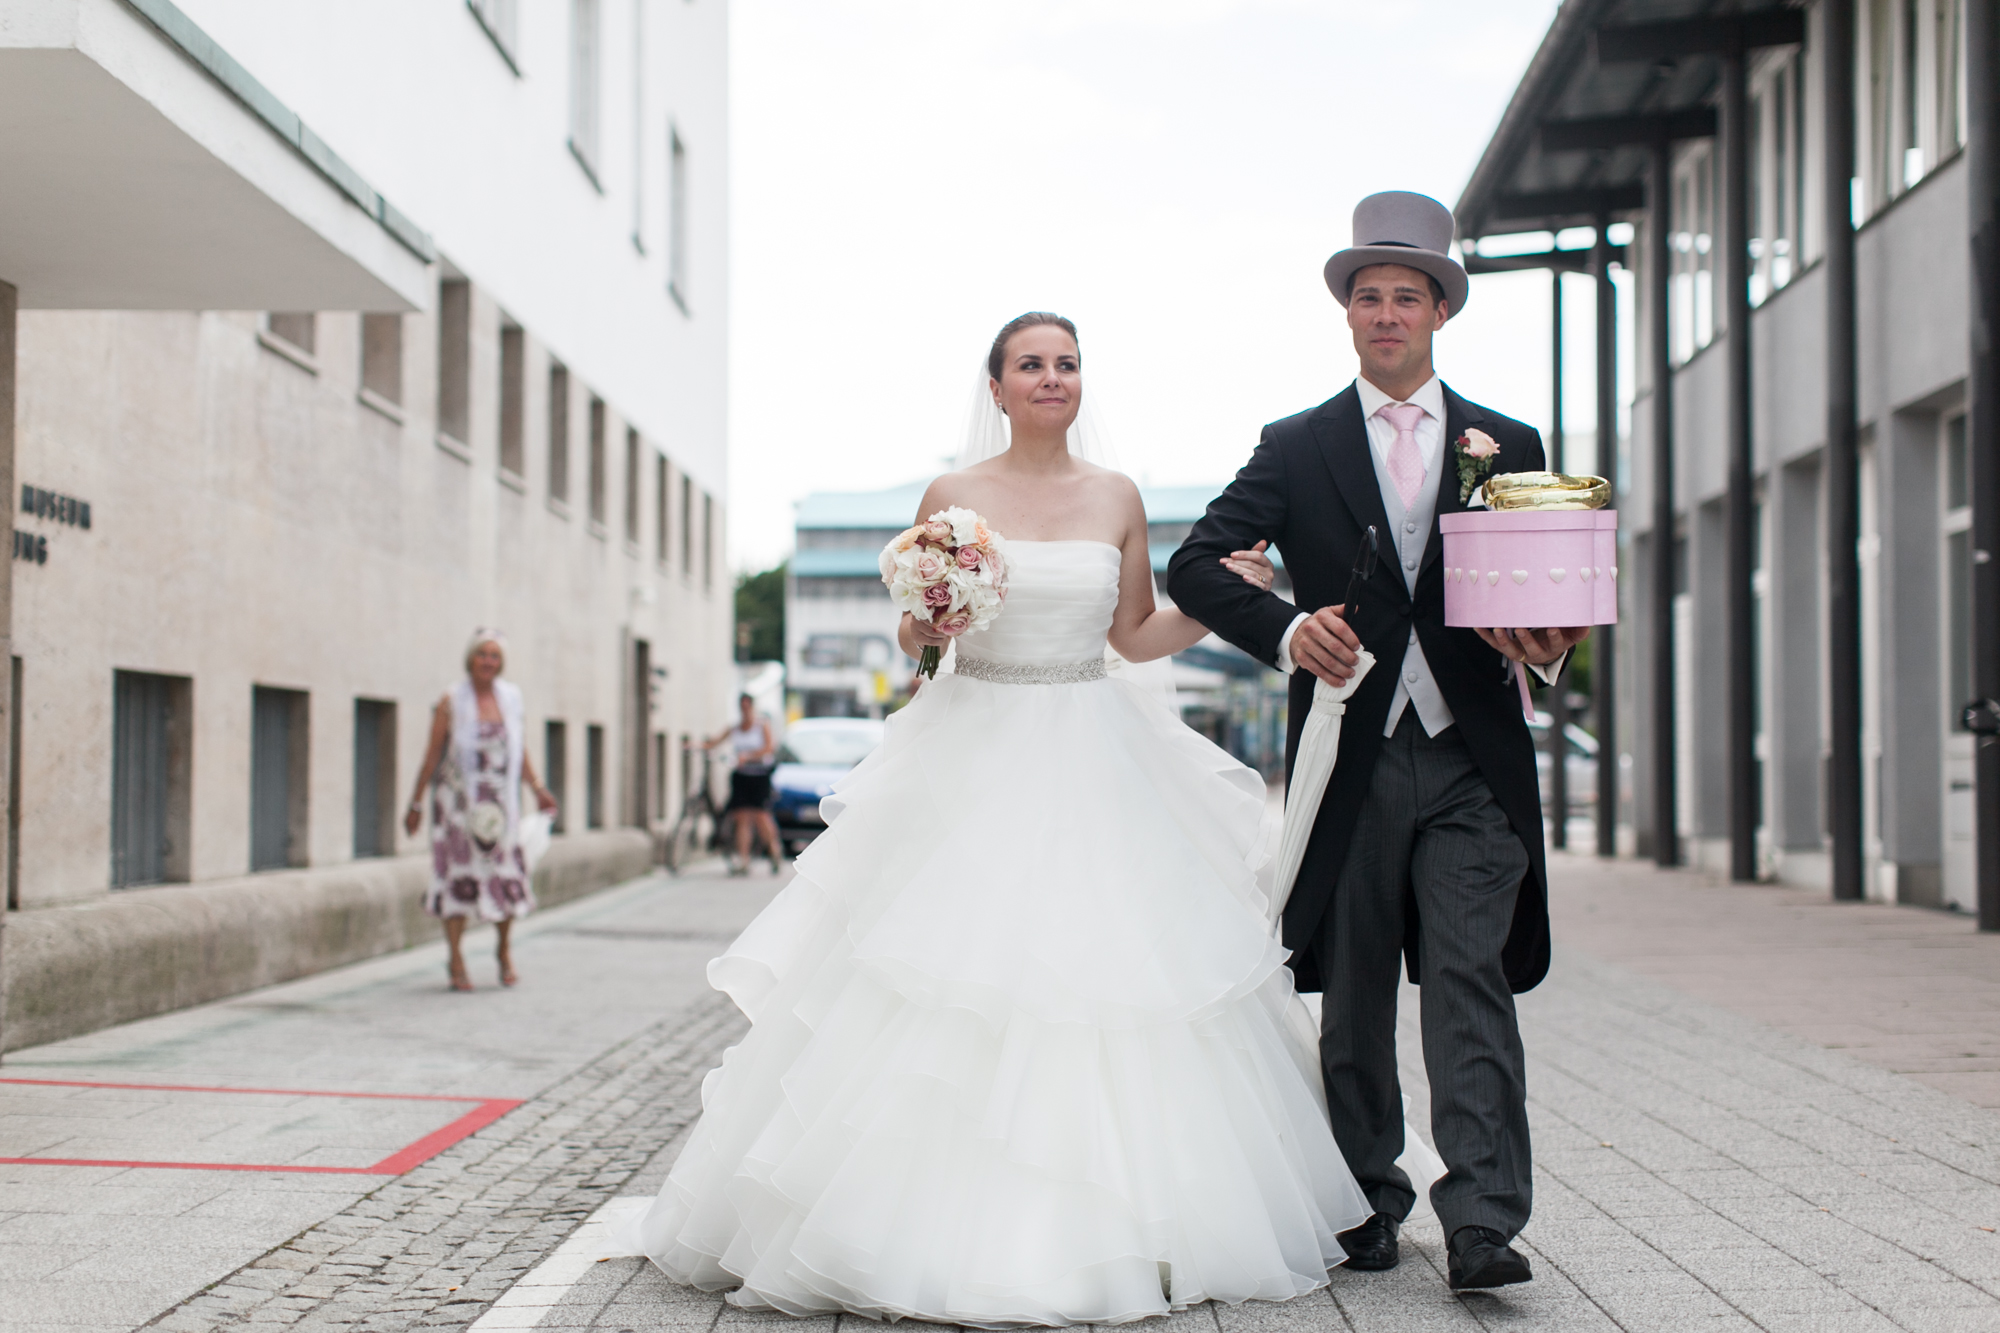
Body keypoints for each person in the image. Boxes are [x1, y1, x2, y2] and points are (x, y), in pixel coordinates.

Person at [628, 312, 1376, 1325]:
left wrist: (1220, 601)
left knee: (1105, 971)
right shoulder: (953, 496)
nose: (1052, 378)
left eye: (1067, 364)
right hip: (970, 742)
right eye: (1032, 364)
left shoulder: (1116, 495)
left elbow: (1135, 634)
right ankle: (905, 1223)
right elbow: (914, 627)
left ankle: (1128, 1222)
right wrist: (924, 622)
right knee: (937, 965)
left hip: (1089, 742)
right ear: (996, 386)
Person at [1167, 192, 1590, 1292]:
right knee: (1351, 990)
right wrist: (1285, 627)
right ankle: (1363, 1200)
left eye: (1407, 295)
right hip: (1348, 751)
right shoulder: (1295, 445)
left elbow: (1548, 590)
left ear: (1440, 309)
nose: (1387, 313)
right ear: (1346, 314)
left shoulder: (1512, 442)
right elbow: (1197, 563)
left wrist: (1547, 648)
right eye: (1368, 296)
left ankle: (1484, 1220)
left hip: (1470, 757)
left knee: (1468, 985)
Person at [404, 629, 559, 991]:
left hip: (500, 809)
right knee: (457, 879)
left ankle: (504, 951)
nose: (487, 661)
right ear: (470, 658)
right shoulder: (451, 700)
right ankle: (456, 959)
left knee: (505, 878)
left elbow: (520, 751)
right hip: (457, 809)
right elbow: (432, 756)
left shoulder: (510, 699)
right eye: (481, 654)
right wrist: (415, 803)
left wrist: (538, 788)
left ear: (500, 662)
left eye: (494, 655)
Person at [705, 694, 783, 875]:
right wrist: (698, 745)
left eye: (748, 707)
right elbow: (714, 742)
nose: (745, 710)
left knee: (761, 816)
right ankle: (744, 859)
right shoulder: (735, 728)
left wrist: (748, 756)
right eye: (742, 707)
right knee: (741, 817)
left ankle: (774, 851)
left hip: (759, 775)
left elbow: (769, 748)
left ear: (752, 708)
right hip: (741, 775)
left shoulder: (761, 726)